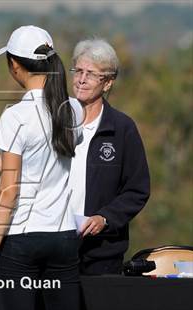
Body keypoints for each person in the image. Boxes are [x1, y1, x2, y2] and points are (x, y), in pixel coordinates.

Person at [0, 26, 84, 310]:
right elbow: (48, 160)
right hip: (64, 238)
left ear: (15, 65)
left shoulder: (15, 117)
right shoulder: (73, 110)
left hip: (22, 240)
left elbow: (8, 193)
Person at [67, 38, 150, 275]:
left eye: (91, 74)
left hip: (102, 254)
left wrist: (105, 218)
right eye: (78, 71)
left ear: (107, 83)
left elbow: (137, 189)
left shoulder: (122, 128)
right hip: (55, 248)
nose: (82, 79)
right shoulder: (55, 121)